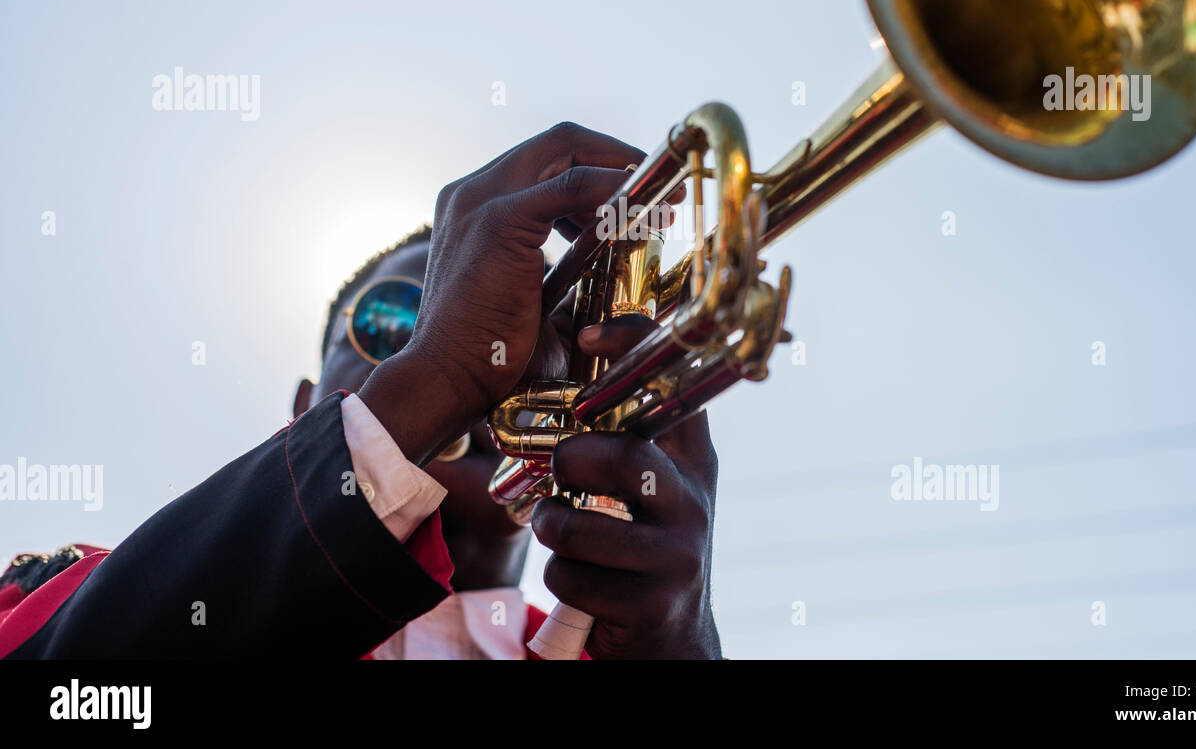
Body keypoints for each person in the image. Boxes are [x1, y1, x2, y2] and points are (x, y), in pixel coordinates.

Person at [0, 123, 721, 659]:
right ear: (305, 407)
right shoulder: (65, 595)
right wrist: (430, 378)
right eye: (389, 324)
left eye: (529, 342)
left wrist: (686, 646)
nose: (490, 361)